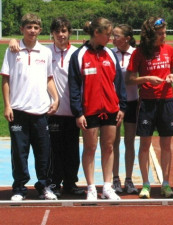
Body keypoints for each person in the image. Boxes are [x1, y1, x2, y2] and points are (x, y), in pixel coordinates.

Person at [9, 17, 85, 198]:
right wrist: (13, 40)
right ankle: (53, 184)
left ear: (69, 33)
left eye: (64, 31)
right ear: (51, 33)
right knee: (52, 152)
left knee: (72, 151)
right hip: (51, 111)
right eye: (57, 31)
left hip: (72, 110)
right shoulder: (46, 51)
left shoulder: (77, 53)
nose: (61, 35)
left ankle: (70, 183)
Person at [0, 13, 59, 201]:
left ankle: (44, 187)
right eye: (29, 27)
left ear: (40, 30)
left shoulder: (46, 52)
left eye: (35, 27)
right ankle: (19, 189)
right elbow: (6, 79)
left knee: (43, 152)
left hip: (41, 110)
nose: (32, 30)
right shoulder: (12, 50)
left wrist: (55, 98)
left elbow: (49, 78)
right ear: (22, 29)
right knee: (19, 152)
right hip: (18, 110)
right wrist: (7, 105)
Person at [68, 17, 127, 200]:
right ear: (96, 33)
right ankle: (91, 187)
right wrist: (78, 112)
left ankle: (107, 186)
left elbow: (119, 83)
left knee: (108, 147)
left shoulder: (110, 54)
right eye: (107, 34)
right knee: (90, 148)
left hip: (110, 109)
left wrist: (122, 107)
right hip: (89, 110)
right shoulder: (79, 55)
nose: (110, 38)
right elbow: (74, 87)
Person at [126, 17, 173, 199]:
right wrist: (147, 79)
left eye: (164, 32)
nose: (164, 36)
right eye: (160, 33)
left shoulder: (170, 50)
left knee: (166, 144)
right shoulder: (139, 53)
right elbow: (130, 79)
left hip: (167, 101)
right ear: (150, 35)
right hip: (147, 102)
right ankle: (146, 184)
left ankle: (166, 184)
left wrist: (172, 76)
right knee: (145, 144)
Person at [111, 24, 139, 194]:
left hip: (132, 102)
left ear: (127, 38)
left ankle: (128, 179)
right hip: (113, 104)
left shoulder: (136, 54)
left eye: (117, 36)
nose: (113, 39)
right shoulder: (109, 53)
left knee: (129, 141)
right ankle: (115, 179)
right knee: (113, 142)